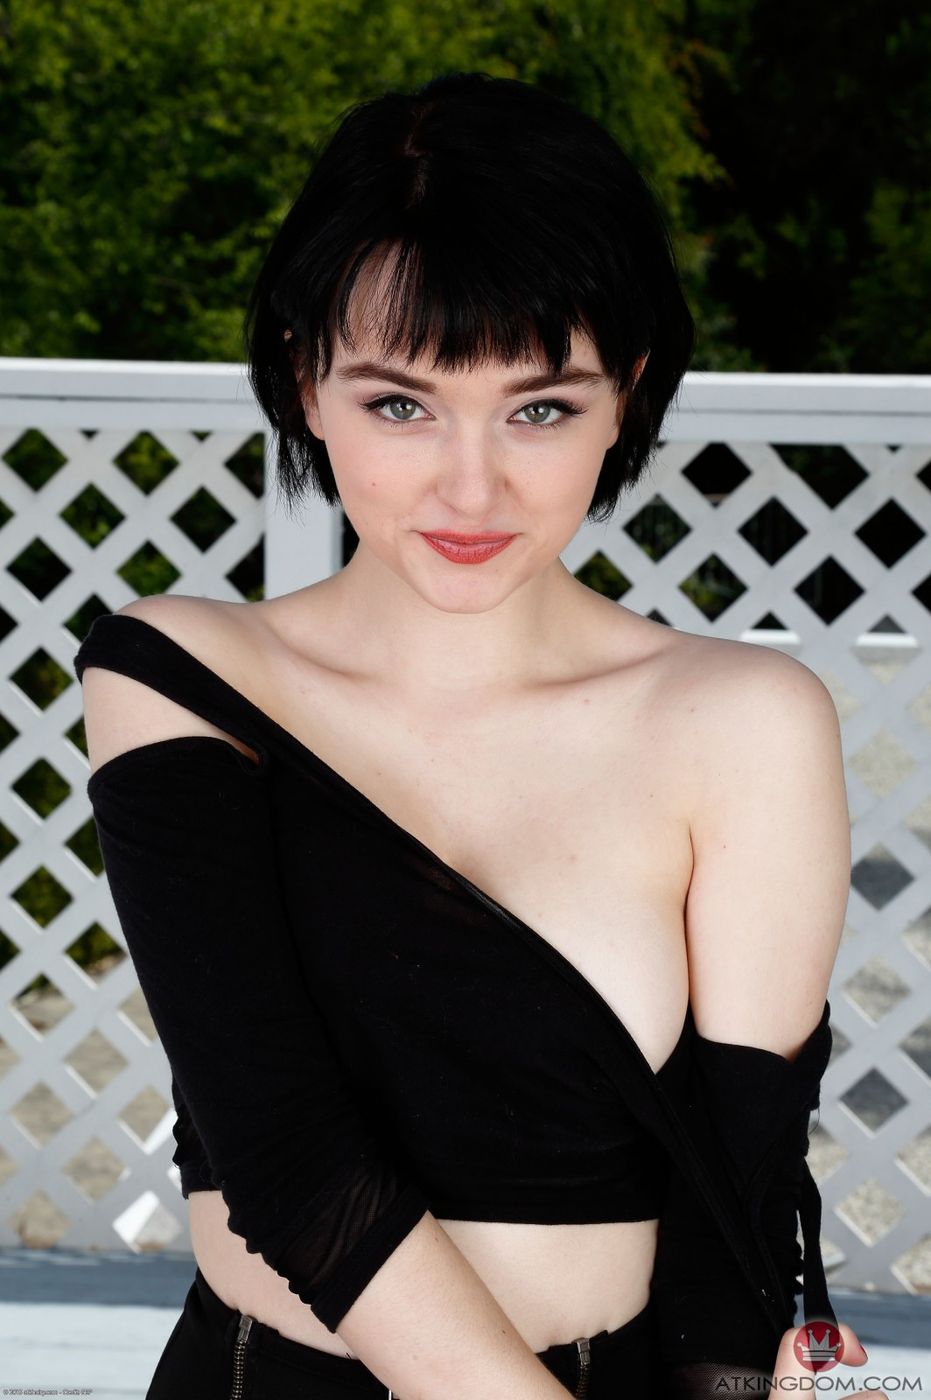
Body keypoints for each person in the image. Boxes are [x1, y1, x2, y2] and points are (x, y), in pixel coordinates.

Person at [74, 71, 873, 1400]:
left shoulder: (743, 721)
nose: (470, 485)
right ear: (306, 381)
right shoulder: (185, 677)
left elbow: (732, 1207)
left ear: (627, 392)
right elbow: (286, 1155)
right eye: (400, 404)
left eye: (539, 407)